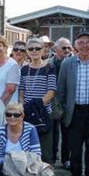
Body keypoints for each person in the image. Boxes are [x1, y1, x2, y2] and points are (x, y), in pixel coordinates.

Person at [57, 31, 89, 176]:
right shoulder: (67, 63)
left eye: (88, 42)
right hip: (74, 113)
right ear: (76, 46)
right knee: (75, 150)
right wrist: (63, 111)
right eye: (81, 42)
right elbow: (61, 90)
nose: (85, 45)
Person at [19, 38, 56, 167]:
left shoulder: (49, 67)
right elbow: (21, 92)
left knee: (45, 148)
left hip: (43, 112)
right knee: (29, 146)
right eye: (31, 49)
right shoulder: (23, 69)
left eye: (37, 48)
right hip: (28, 113)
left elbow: (51, 92)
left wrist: (36, 107)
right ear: (27, 51)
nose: (34, 51)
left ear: (43, 49)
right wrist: (26, 107)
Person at [50, 37, 73, 168]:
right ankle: (52, 158)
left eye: (69, 47)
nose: (67, 50)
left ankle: (66, 160)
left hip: (68, 103)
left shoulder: (73, 62)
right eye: (63, 47)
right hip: (53, 102)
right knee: (53, 132)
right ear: (56, 49)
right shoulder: (49, 62)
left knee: (67, 133)